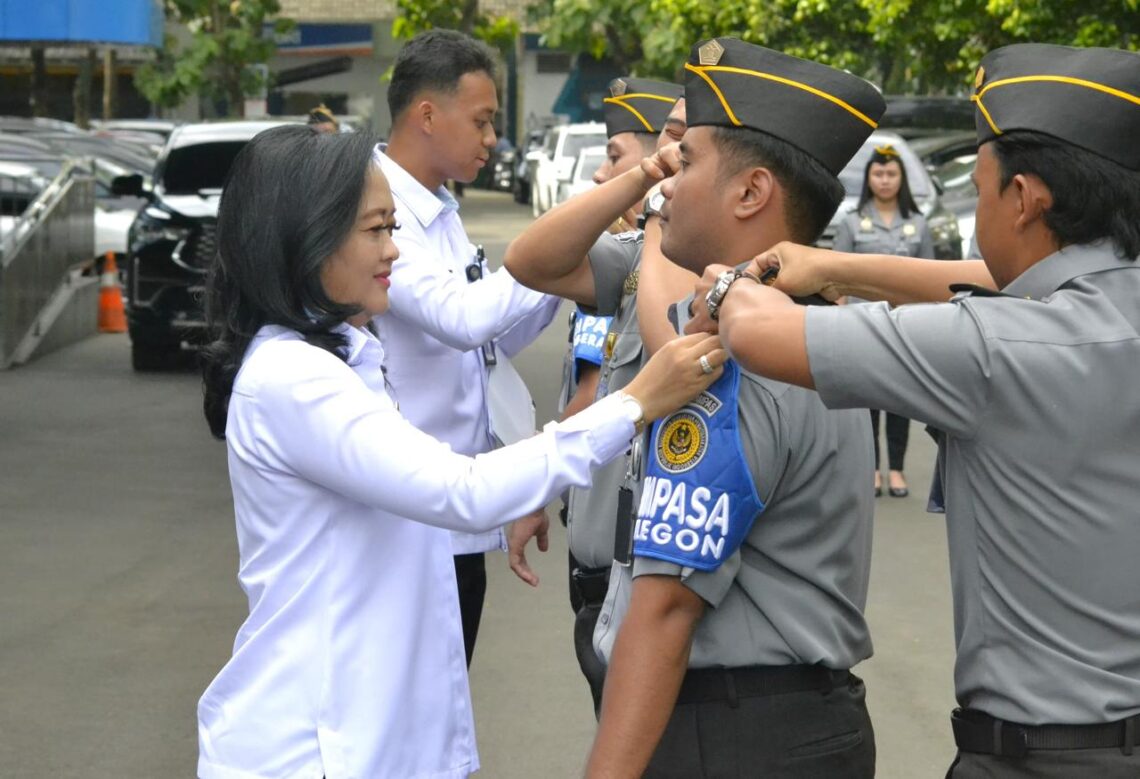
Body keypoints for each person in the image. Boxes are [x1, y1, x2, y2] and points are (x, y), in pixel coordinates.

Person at [195, 124, 726, 779]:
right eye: (376, 230)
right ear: (306, 239)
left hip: (372, 736)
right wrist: (637, 401)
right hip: (320, 744)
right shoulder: (295, 378)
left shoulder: (342, 356)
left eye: (393, 227)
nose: (393, 251)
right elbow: (461, 491)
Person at [687, 42, 1140, 778]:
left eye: (986, 191)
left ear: (1026, 199)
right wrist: (833, 264)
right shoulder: (1079, 313)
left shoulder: (992, 347)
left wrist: (730, 282)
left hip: (1038, 757)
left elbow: (758, 331)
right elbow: (985, 279)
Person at [578, 38, 885, 778]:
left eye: (685, 164)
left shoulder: (730, 353)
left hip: (730, 733)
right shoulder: (821, 331)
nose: (665, 188)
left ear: (750, 193)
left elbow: (665, 608)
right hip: (811, 724)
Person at [372, 29, 561, 665]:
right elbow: (462, 318)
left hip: (456, 523)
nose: (491, 140)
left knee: (442, 726)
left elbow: (492, 340)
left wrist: (564, 277)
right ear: (428, 114)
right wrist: (567, 243)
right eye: (481, 121)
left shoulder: (440, 209)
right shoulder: (378, 209)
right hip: (409, 526)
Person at [505, 90, 695, 716]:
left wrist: (658, 212)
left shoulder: (714, 268)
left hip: (649, 578)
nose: (598, 170)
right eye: (666, 137)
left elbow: (611, 384)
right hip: (598, 556)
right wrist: (645, 184)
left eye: (616, 156)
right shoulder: (635, 251)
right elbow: (527, 259)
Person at [833, 143, 936, 498]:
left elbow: (928, 279)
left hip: (905, 326)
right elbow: (837, 278)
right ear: (869, 178)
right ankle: (873, 468)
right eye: (878, 173)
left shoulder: (917, 223)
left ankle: (897, 470)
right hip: (863, 326)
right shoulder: (852, 222)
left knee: (900, 401)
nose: (885, 180)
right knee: (867, 404)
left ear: (902, 178)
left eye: (892, 174)